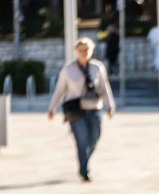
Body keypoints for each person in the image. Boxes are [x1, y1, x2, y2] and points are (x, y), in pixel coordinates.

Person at [47, 37, 115, 182]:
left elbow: (104, 87)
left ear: (91, 50)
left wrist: (110, 106)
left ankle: (85, 162)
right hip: (76, 110)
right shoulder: (68, 69)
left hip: (94, 108)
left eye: (86, 50)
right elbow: (59, 90)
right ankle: (84, 170)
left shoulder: (97, 67)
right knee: (81, 139)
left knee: (94, 139)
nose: (84, 52)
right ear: (76, 51)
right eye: (81, 50)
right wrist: (52, 108)